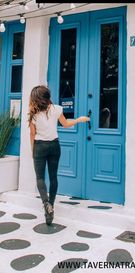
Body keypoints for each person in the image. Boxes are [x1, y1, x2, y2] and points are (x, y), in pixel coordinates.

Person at [28, 85, 90, 225]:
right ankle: (51, 204)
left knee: (40, 177)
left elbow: (32, 134)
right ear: (48, 96)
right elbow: (66, 124)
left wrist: (33, 150)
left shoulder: (33, 114)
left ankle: (46, 205)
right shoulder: (56, 109)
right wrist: (79, 119)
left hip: (39, 146)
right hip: (54, 146)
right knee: (53, 177)